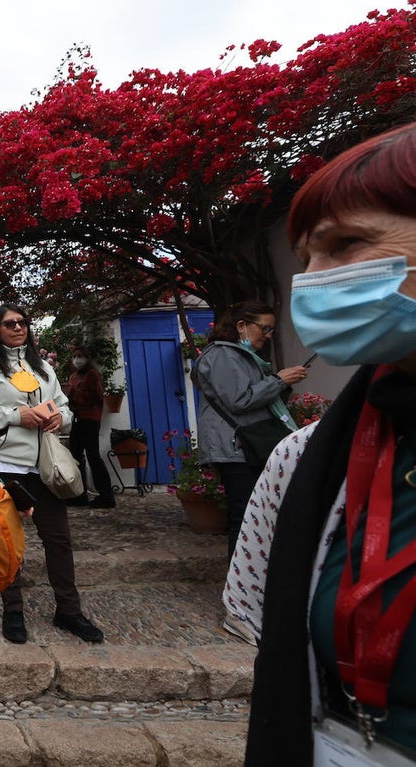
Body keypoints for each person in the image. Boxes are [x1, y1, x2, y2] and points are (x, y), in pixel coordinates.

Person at [226, 123, 416, 764]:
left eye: (346, 245)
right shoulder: (304, 461)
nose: (312, 281)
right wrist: (273, 384)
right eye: (307, 255)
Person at [0, 305, 104, 644]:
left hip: (43, 468)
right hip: (2, 467)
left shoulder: (43, 368)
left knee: (59, 539)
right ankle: (13, 612)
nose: (18, 328)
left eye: (23, 322)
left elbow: (65, 409)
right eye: (10, 323)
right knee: (9, 543)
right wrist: (14, 415)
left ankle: (68, 610)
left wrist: (59, 419)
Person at [193, 300, 307, 559]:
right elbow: (240, 400)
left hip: (243, 446)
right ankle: (242, 587)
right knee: (245, 518)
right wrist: (278, 380)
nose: (267, 336)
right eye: (263, 329)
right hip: (235, 448)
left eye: (270, 331)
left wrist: (280, 385)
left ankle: (252, 582)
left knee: (256, 516)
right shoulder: (223, 354)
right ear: (241, 326)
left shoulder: (238, 355)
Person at [66, 347, 116, 509]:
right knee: (76, 456)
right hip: (77, 419)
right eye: (74, 356)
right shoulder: (74, 377)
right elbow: (71, 399)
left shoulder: (93, 375)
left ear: (87, 358)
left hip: (90, 420)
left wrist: (74, 392)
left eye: (80, 356)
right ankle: (80, 494)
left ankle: (106, 496)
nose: (77, 359)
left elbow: (93, 397)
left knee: (93, 456)